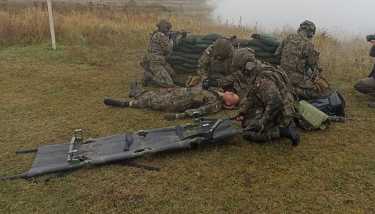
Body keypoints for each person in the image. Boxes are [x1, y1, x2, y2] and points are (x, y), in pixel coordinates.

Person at [232, 48, 300, 146]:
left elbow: (275, 102)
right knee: (246, 123)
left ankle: (282, 130)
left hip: (280, 111)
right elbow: (254, 96)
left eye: (241, 69)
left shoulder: (263, 78)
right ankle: (286, 124)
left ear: (247, 65)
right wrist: (243, 110)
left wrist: (263, 122)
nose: (241, 72)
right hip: (280, 108)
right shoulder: (260, 69)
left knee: (247, 133)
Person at [103, 82, 239, 120]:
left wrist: (178, 116)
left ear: (228, 103)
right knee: (154, 93)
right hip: (179, 91)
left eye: (232, 97)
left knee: (150, 102)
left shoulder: (215, 104)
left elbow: (199, 111)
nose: (232, 93)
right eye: (233, 93)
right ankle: (136, 92)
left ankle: (123, 103)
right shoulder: (218, 89)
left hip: (175, 102)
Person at [275, 20, 329, 100]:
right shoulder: (307, 43)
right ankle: (291, 91)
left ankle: (285, 87)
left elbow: (277, 54)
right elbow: (313, 65)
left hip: (281, 73)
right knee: (319, 92)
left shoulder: (288, 37)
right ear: (310, 32)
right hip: (296, 76)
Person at [140, 19, 178, 88]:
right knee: (169, 84)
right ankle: (149, 75)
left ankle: (153, 72)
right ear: (164, 28)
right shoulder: (162, 35)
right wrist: (172, 40)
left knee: (173, 74)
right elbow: (168, 49)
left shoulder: (156, 34)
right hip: (156, 62)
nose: (169, 30)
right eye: (168, 29)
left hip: (157, 60)